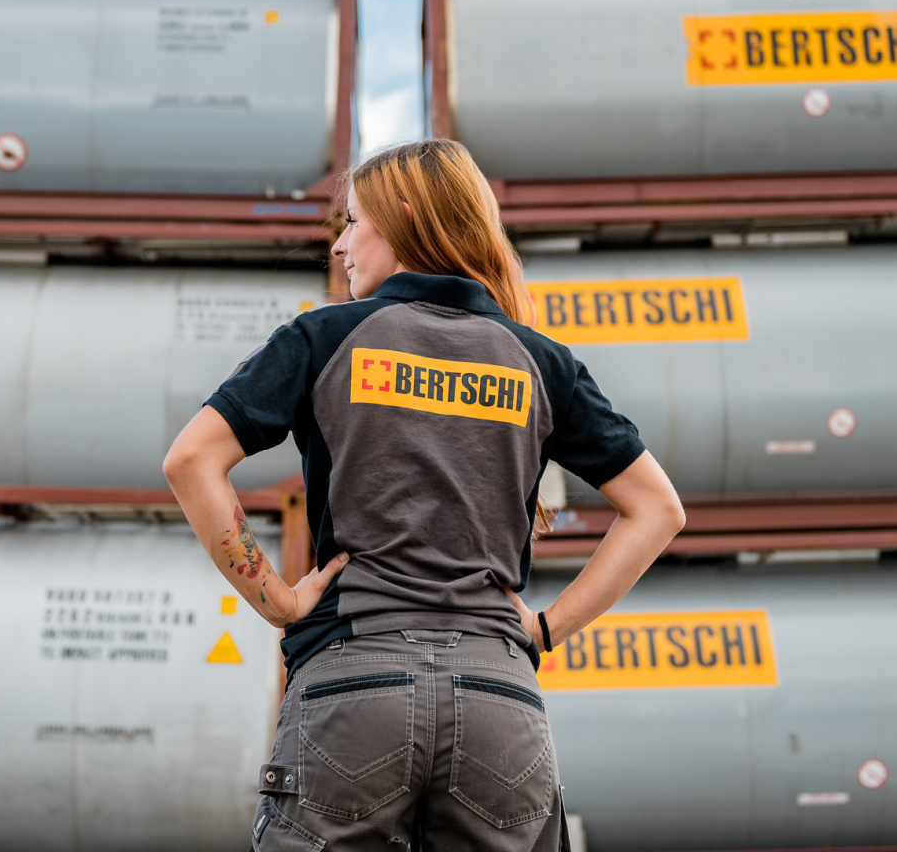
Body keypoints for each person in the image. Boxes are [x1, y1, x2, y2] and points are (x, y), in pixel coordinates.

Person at [164, 140, 686, 851]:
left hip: (354, 688)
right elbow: (659, 509)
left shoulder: (324, 339)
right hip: (498, 702)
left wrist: (278, 600)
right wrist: (544, 629)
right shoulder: (541, 360)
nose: (343, 246)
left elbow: (192, 458)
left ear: (403, 217)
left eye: (352, 222)